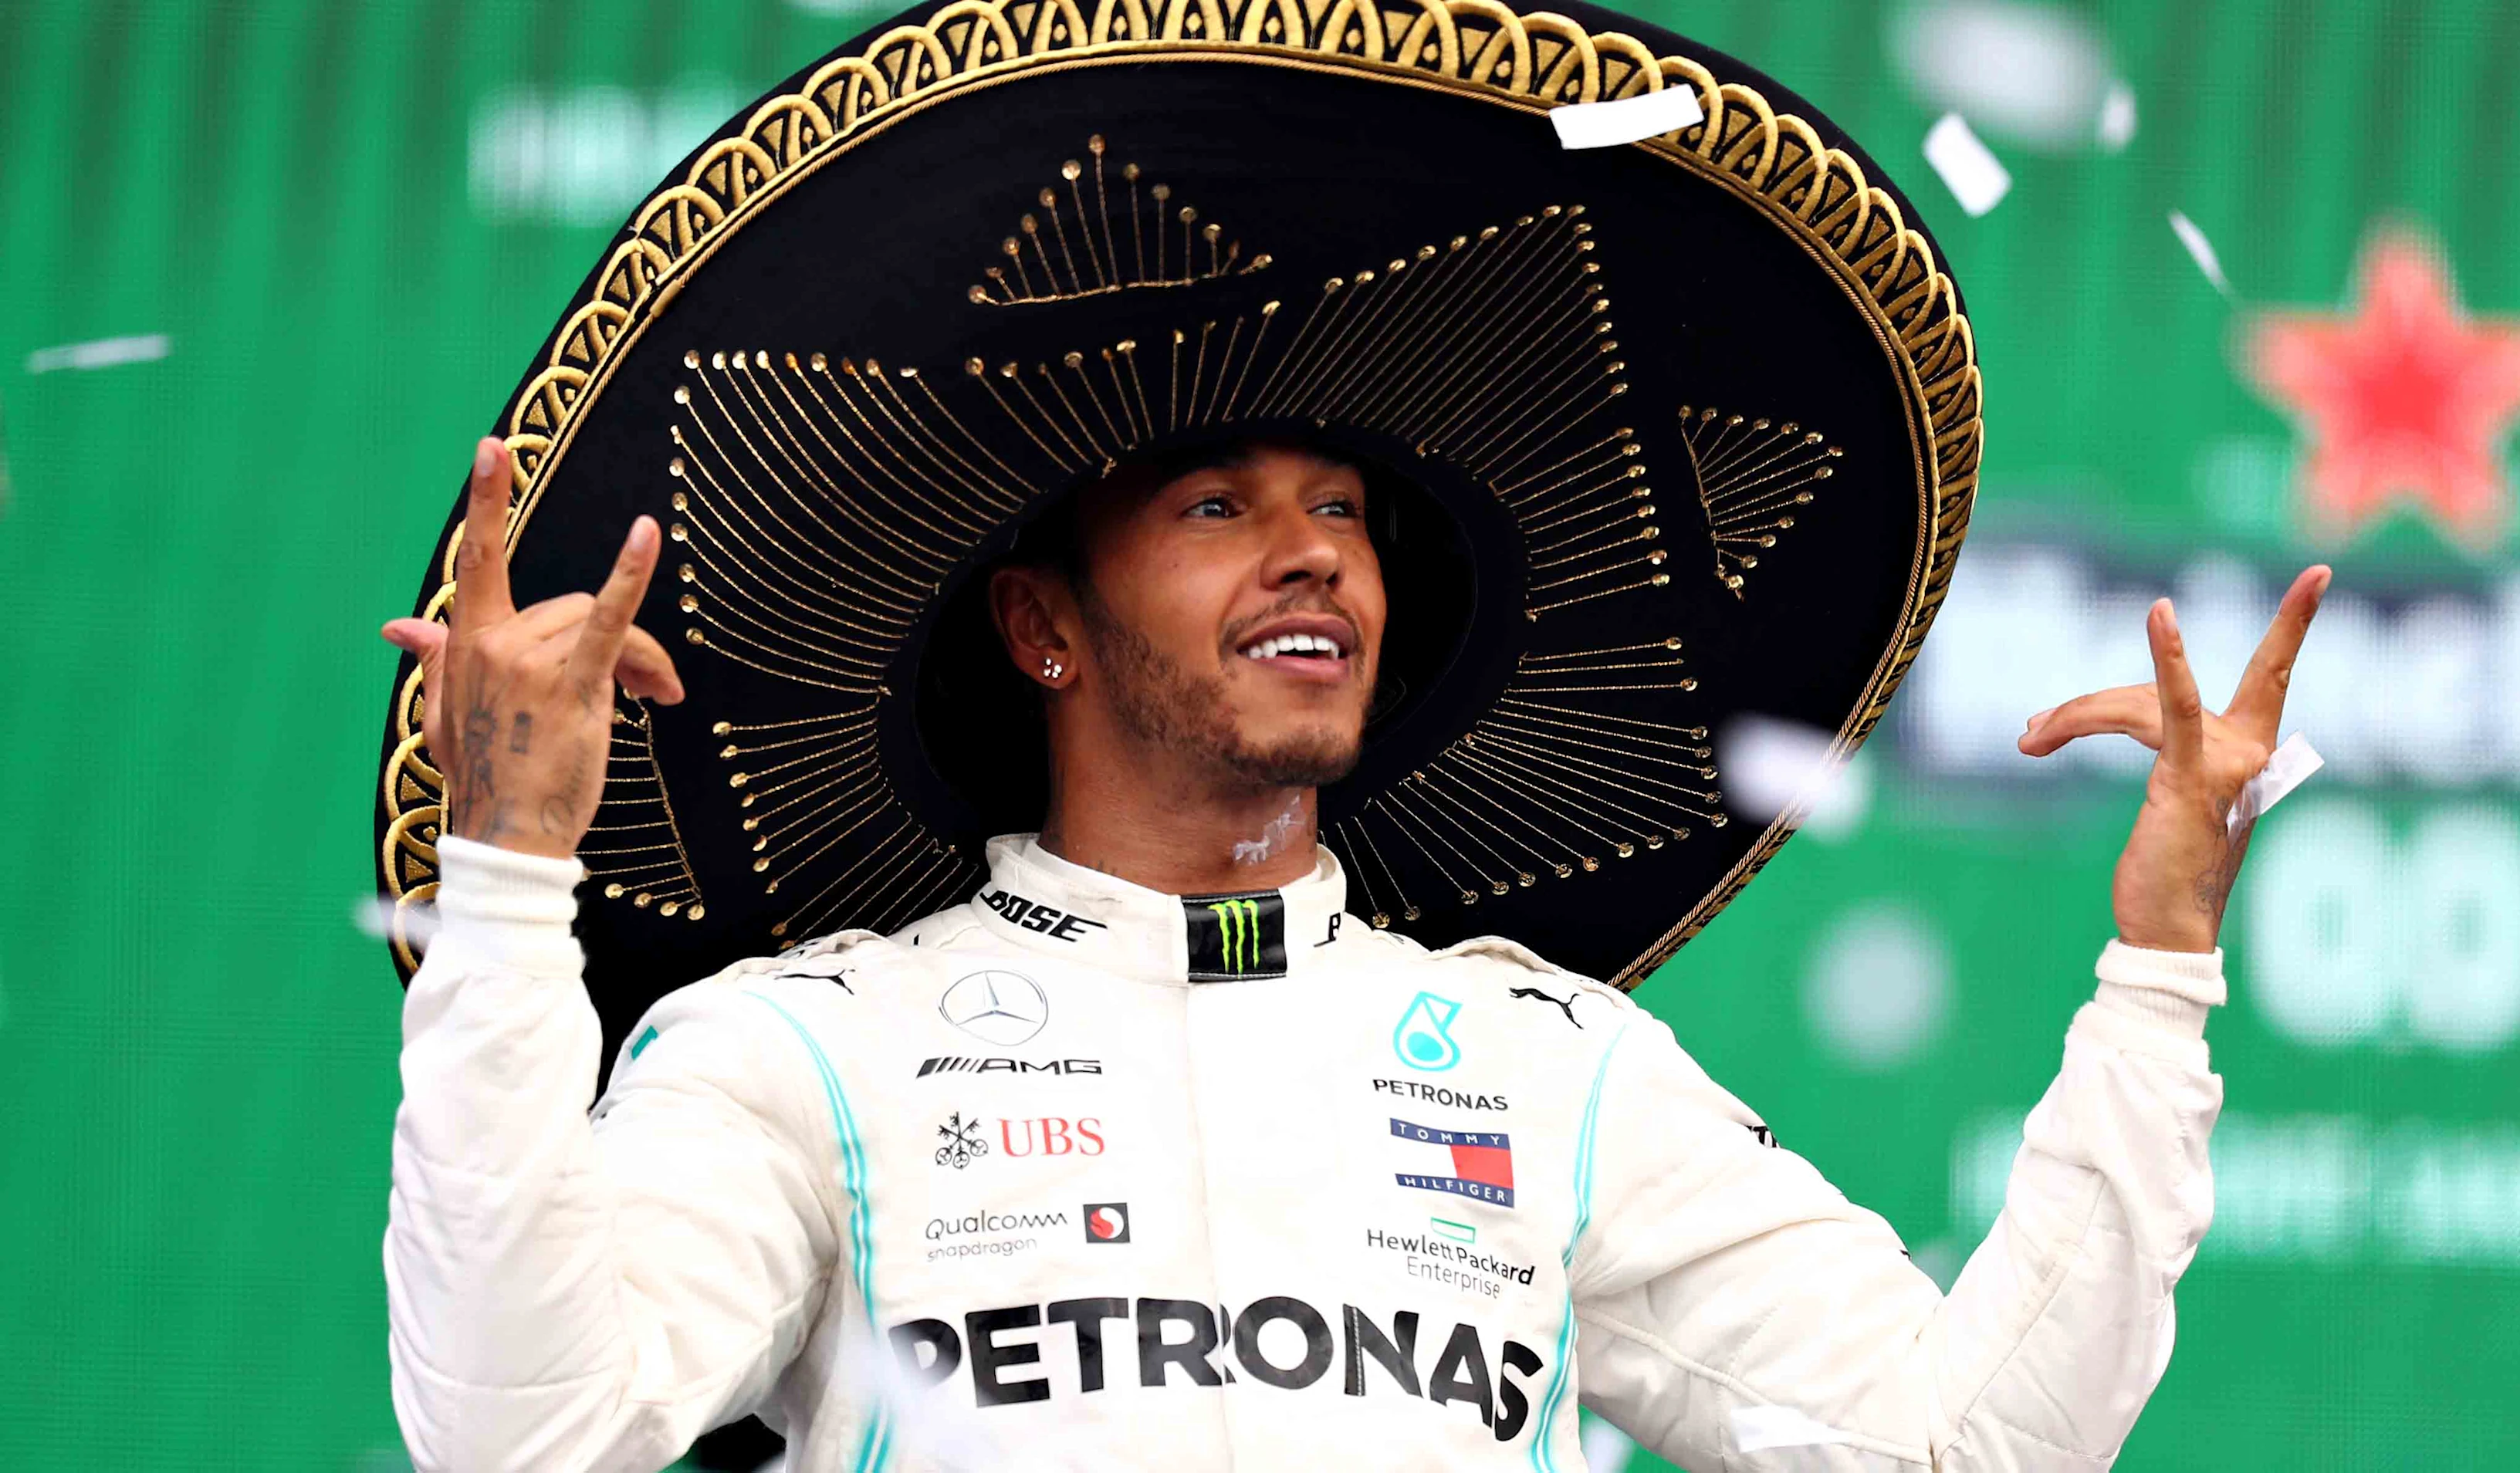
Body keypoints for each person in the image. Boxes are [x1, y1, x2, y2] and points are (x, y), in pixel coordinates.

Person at [380, 426, 2329, 1471]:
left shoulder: (1549, 1065)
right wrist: (508, 877)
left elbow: (1965, 1453)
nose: (1313, 551)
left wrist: (2155, 973)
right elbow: (525, 1439)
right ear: (1042, 627)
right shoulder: (807, 1048)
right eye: (1219, 506)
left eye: (1341, 513)